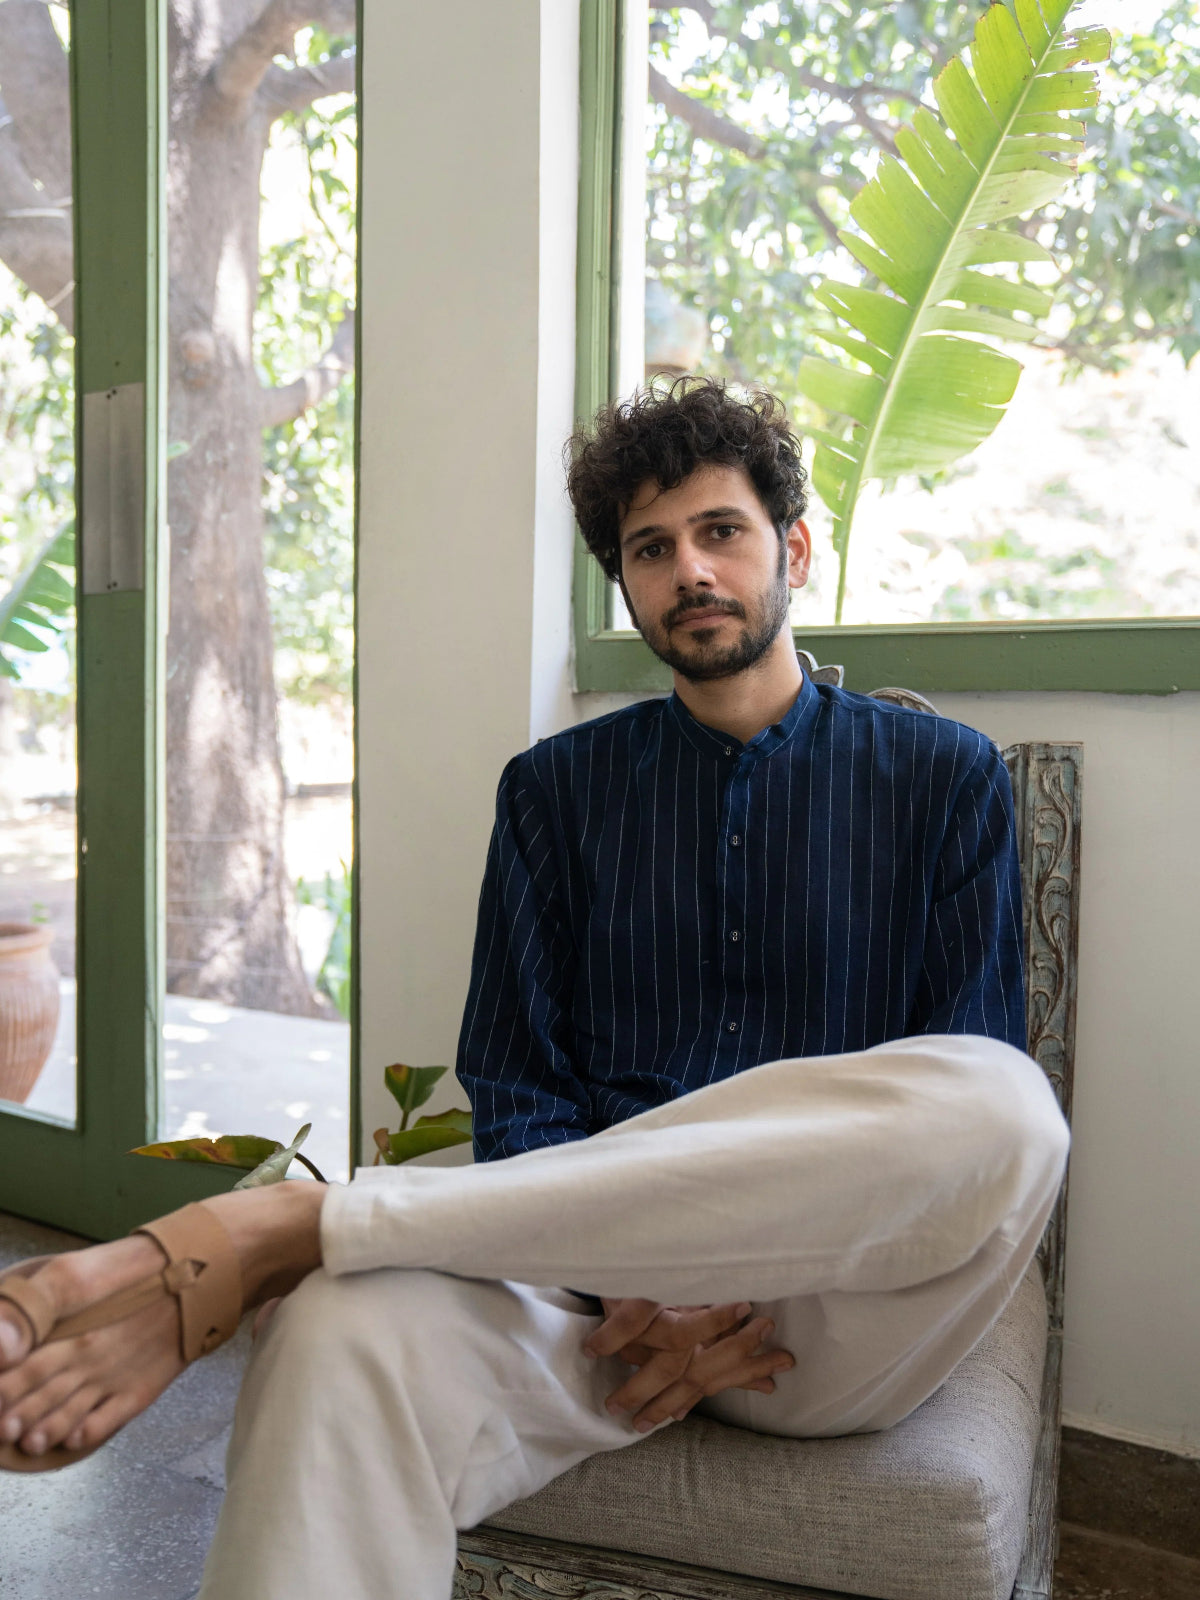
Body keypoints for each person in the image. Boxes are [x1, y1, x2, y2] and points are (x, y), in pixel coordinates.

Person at [0, 379, 1069, 1600]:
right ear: (625, 585)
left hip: (834, 1319)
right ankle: (321, 1255)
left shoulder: (945, 779)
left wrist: (738, 1272)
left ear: (795, 549)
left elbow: (954, 1094)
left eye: (721, 531)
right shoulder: (555, 794)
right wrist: (641, 1278)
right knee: (330, 1333)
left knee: (1006, 1104)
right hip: (589, 1298)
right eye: (650, 550)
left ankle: (302, 1224)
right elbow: (514, 1086)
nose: (690, 572)